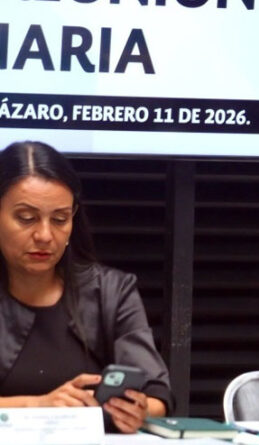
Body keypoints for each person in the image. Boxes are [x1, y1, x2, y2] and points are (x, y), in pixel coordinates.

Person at [0, 141, 173, 433]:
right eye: (26, 218)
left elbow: (158, 396)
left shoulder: (111, 292)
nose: (45, 235)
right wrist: (37, 406)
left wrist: (138, 410)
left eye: (60, 219)